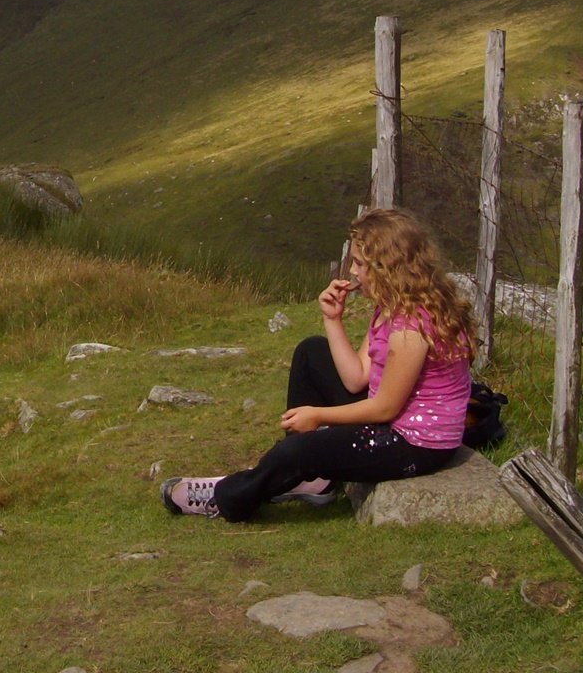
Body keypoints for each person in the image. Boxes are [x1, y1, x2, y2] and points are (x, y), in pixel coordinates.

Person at [160, 206, 473, 521]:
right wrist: (332, 320)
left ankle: (228, 496)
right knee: (311, 352)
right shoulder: (390, 305)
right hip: (392, 420)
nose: (352, 271)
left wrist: (318, 416)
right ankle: (310, 480)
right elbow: (357, 379)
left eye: (360, 264)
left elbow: (385, 408)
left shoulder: (412, 326)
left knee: (298, 451)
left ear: (386, 268)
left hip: (413, 443)